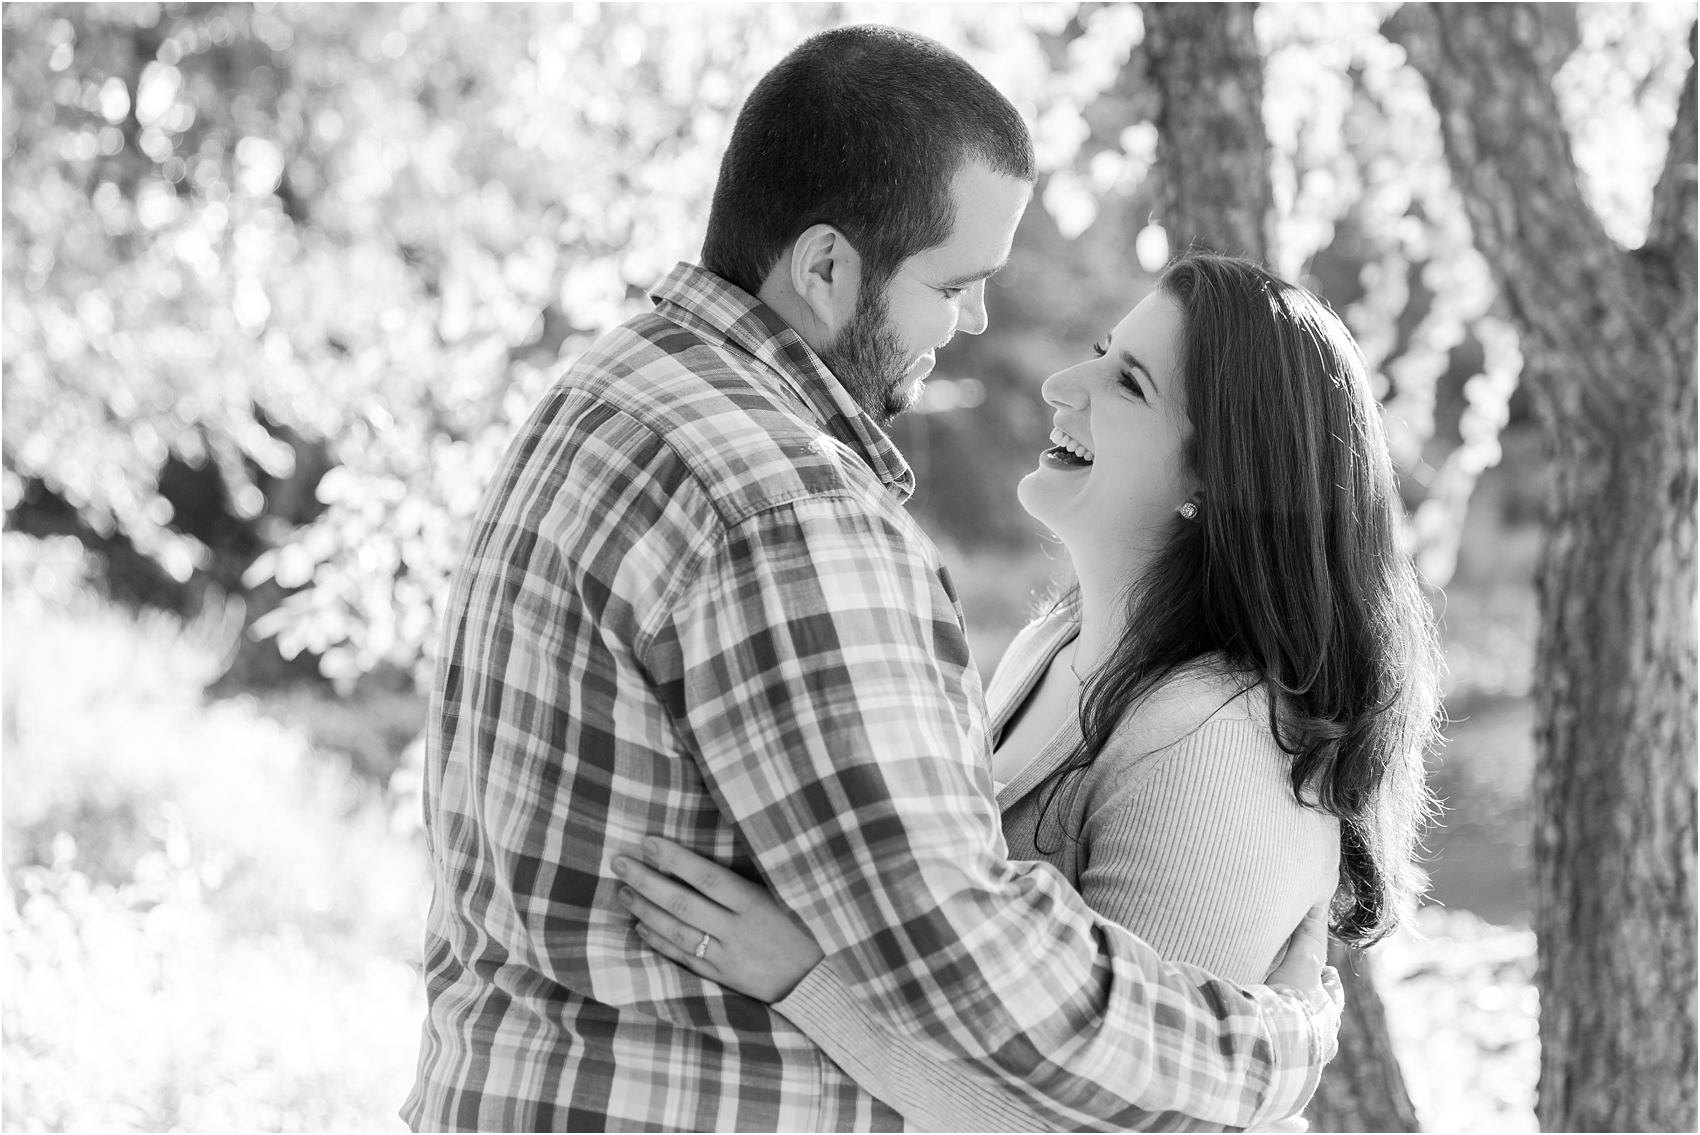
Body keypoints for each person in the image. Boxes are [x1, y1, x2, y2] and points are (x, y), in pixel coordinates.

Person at [403, 26, 1341, 1133]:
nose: (984, 326)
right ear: (827, 266)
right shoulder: (786, 507)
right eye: (954, 284)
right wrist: (1270, 1050)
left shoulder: (607, 393)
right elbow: (958, 953)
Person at [613, 252, 1443, 1129]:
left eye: (1128, 384)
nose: (1062, 384)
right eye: (1097, 349)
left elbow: (1119, 1122)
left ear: (1214, 478)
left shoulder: (1215, 737)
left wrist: (807, 983)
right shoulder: (1058, 643)